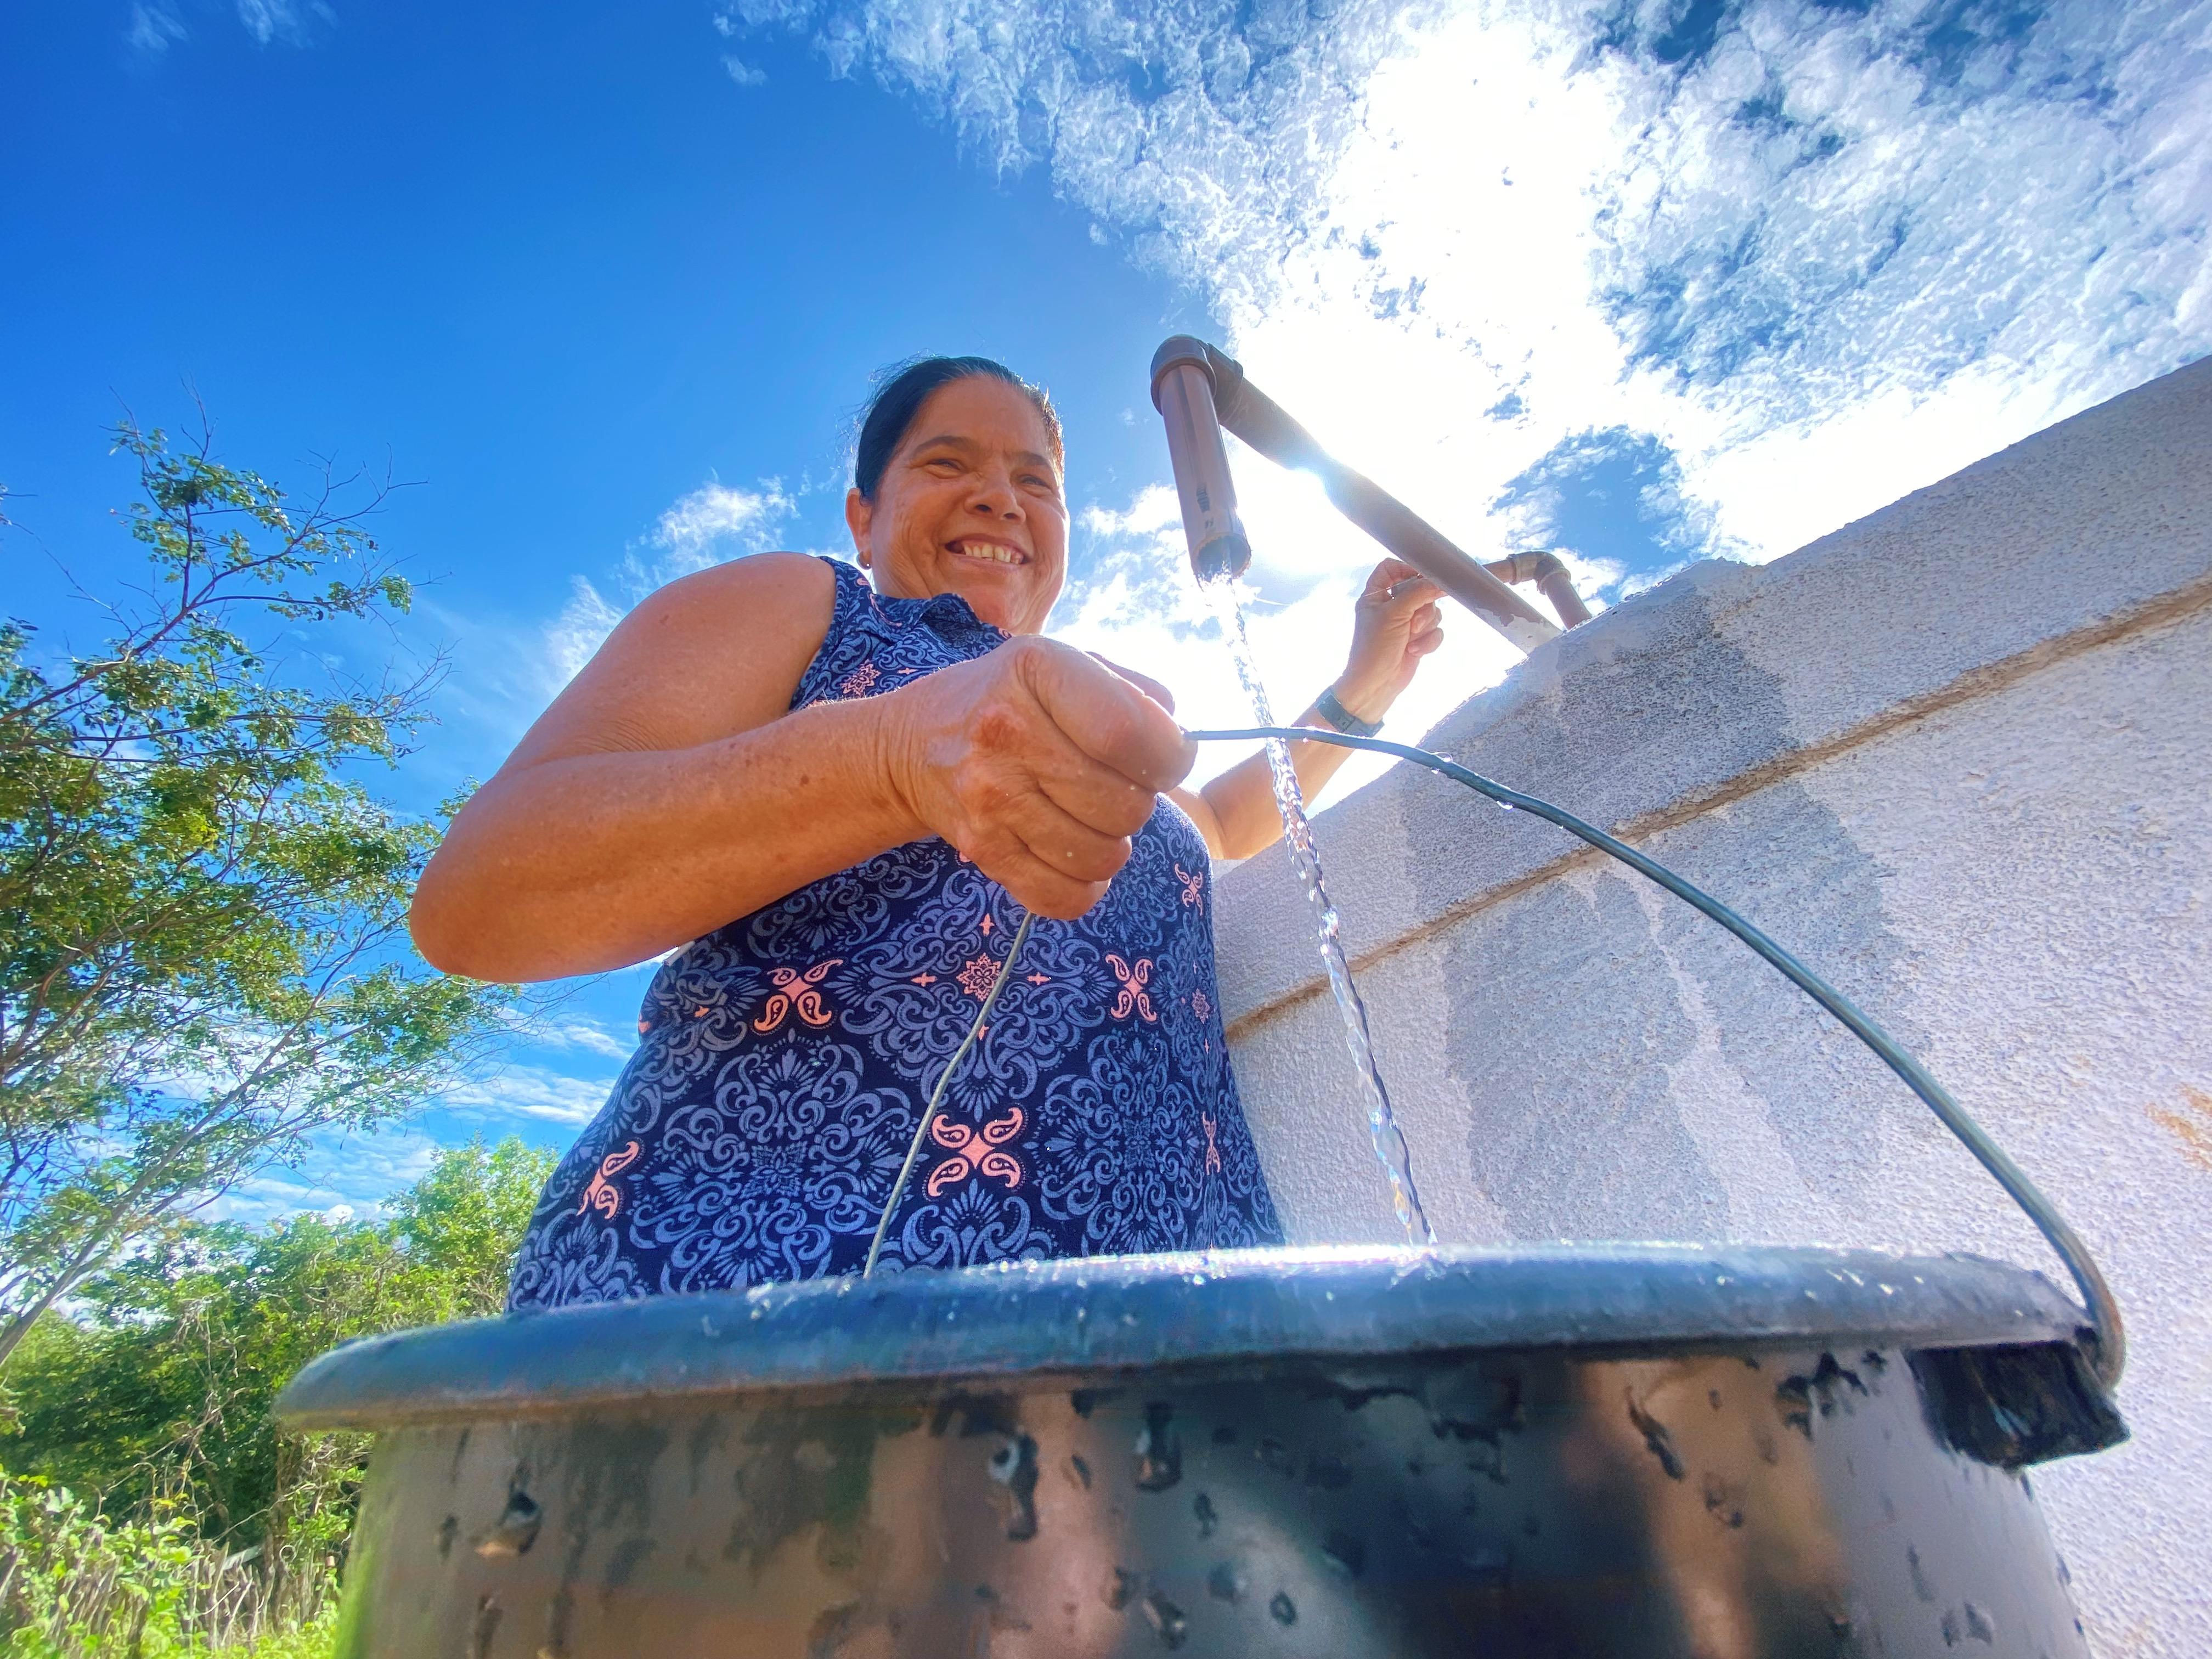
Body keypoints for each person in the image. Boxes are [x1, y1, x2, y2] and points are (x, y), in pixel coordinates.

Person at [410, 355, 1446, 1307]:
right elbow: (481, 903)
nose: (1001, 495)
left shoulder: (1084, 719)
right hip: (754, 1318)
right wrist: (895, 757)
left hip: (1170, 1343)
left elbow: (1216, 822)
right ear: (866, 517)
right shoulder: (813, 606)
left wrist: (1361, 689)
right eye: (949, 462)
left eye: (1036, 481)